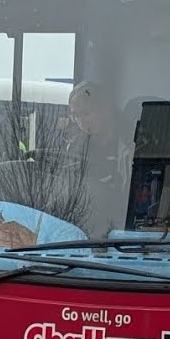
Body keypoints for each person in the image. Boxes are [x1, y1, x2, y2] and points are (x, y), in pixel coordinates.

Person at [61, 80, 131, 234]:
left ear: (106, 110)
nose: (81, 121)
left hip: (125, 227)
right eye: (76, 116)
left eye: (86, 113)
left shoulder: (134, 143)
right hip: (85, 226)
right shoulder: (75, 147)